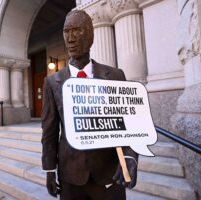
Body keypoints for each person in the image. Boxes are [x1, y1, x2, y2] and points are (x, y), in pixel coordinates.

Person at [41, 10, 138, 200]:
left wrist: (129, 158)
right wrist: (50, 169)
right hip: (70, 176)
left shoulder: (116, 76)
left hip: (109, 175)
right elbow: (50, 131)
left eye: (77, 30)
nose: (70, 38)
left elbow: (131, 125)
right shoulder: (53, 83)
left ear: (91, 35)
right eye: (66, 31)